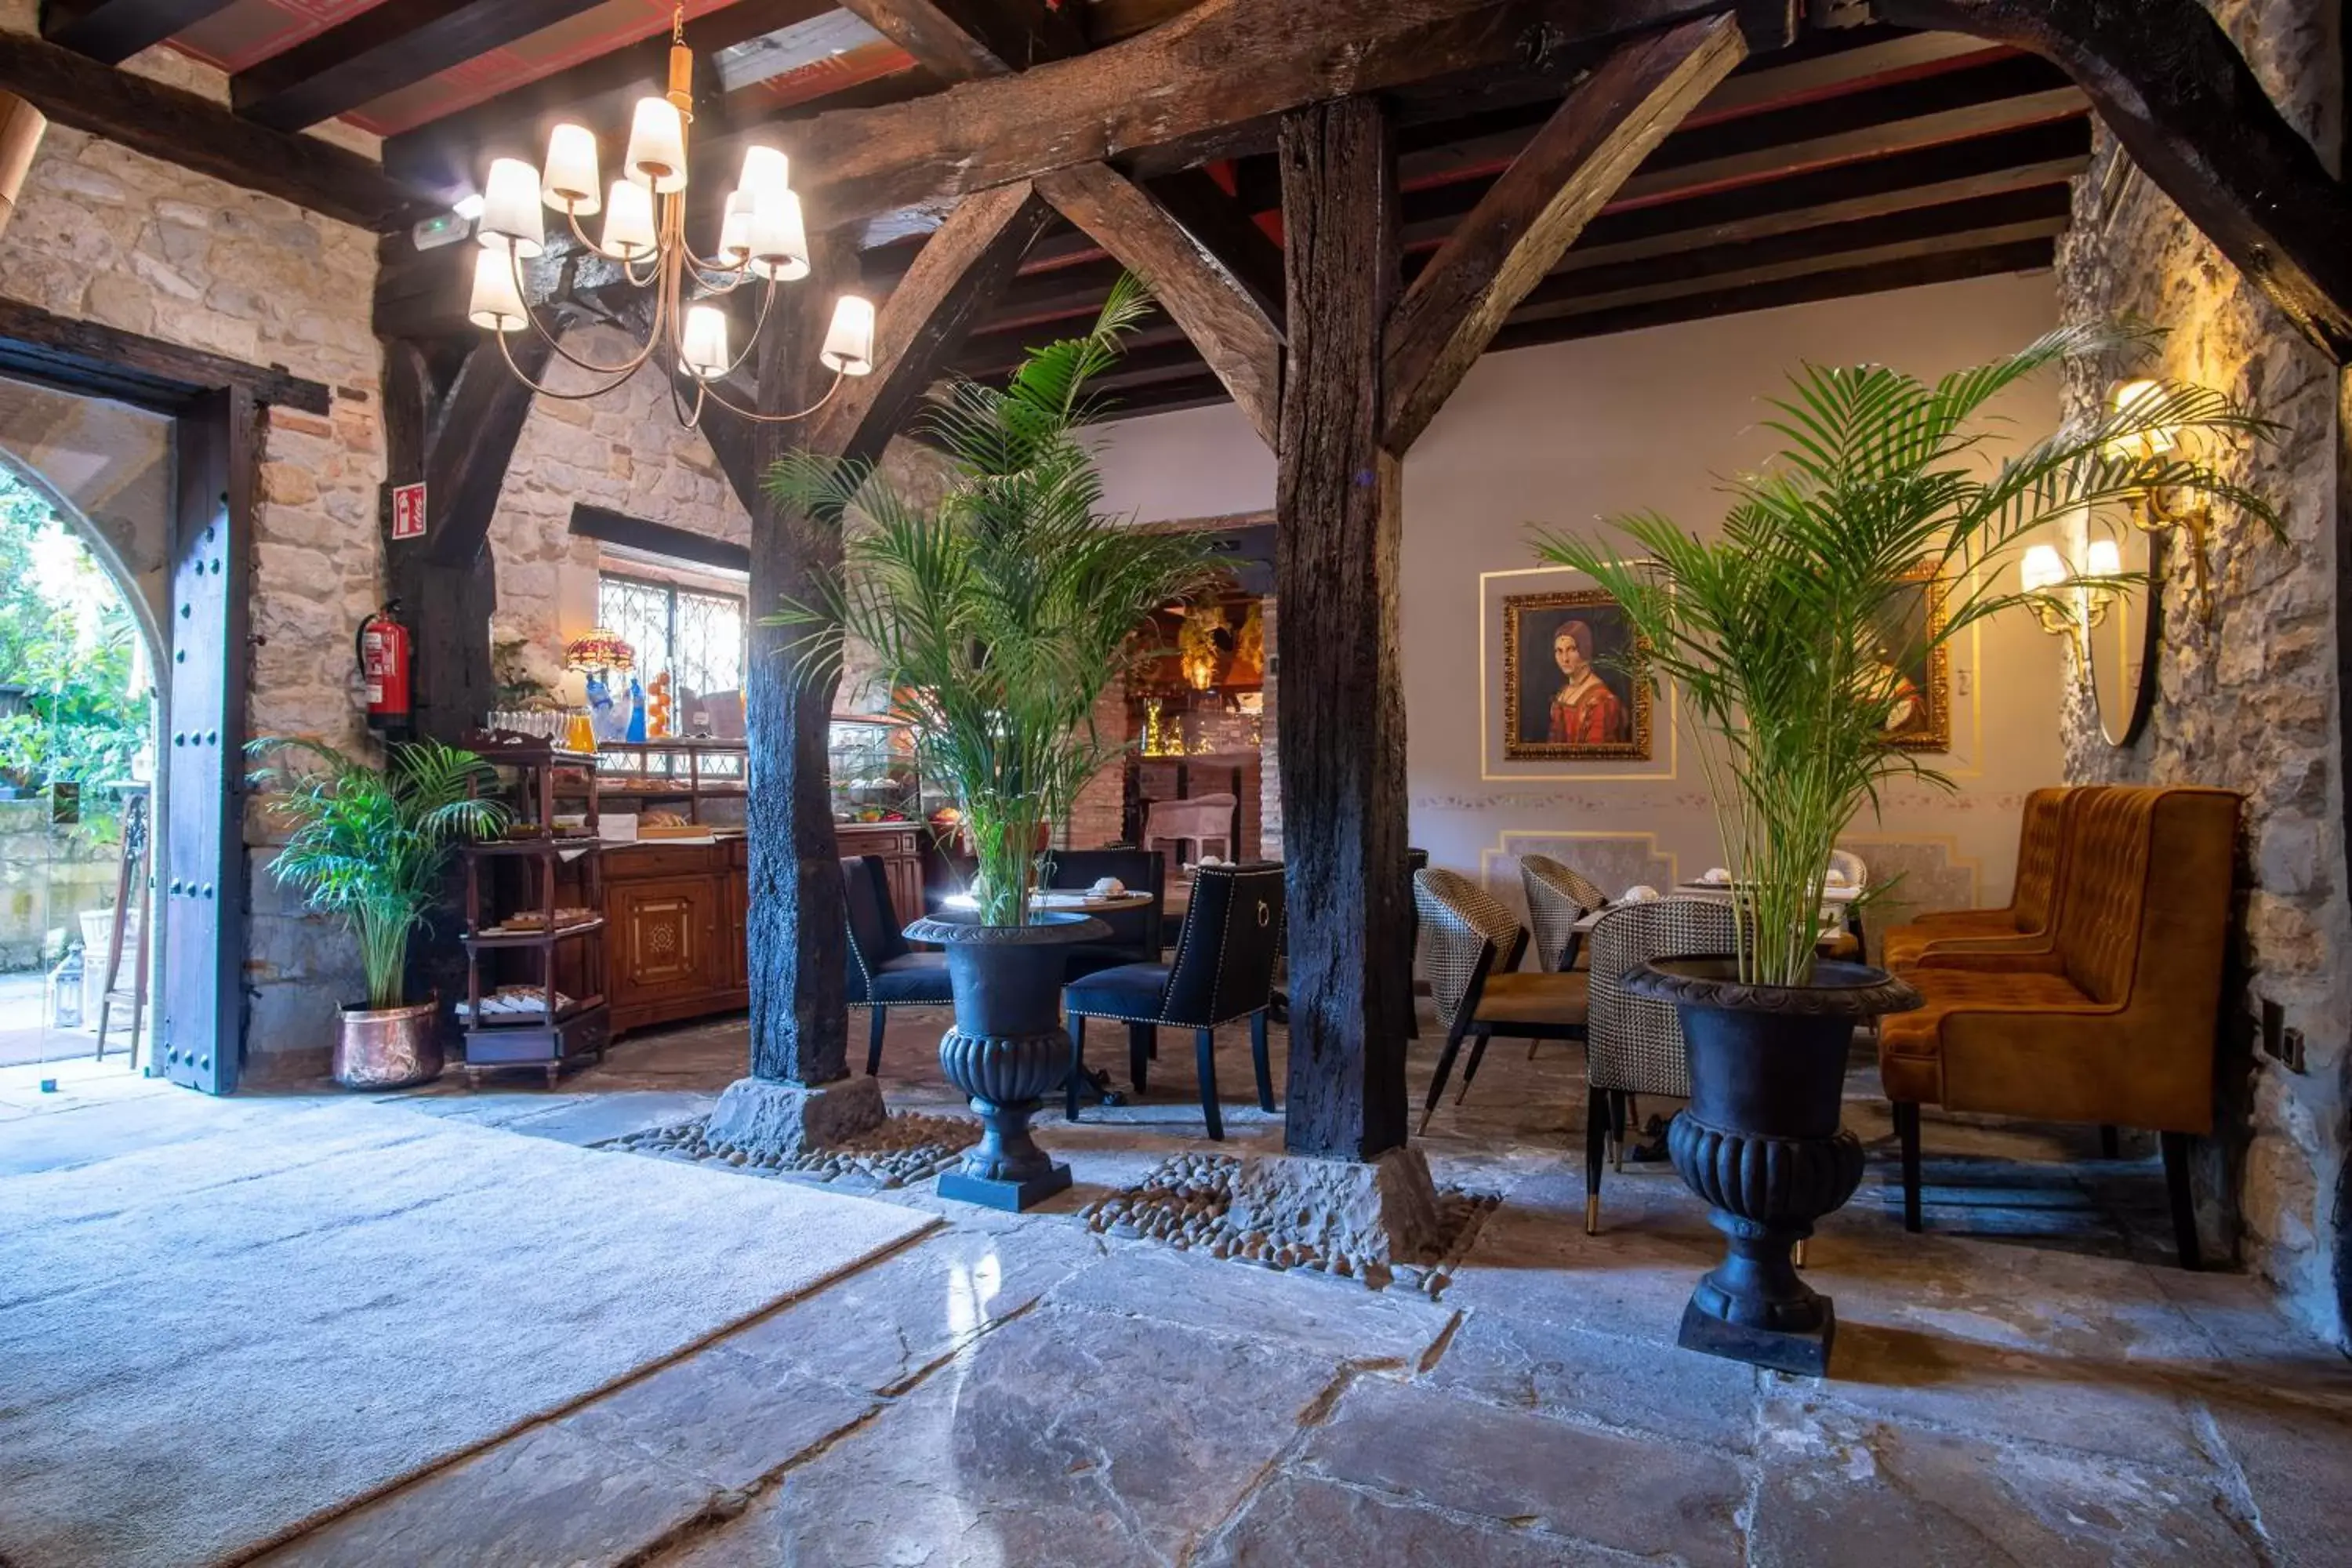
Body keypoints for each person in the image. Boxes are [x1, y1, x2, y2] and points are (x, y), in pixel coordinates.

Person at [1546, 619, 1628, 745]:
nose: (1564, 659)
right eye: (1559, 651)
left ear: (1584, 649)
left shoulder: (1602, 700)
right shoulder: (1563, 694)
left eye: (1571, 649)